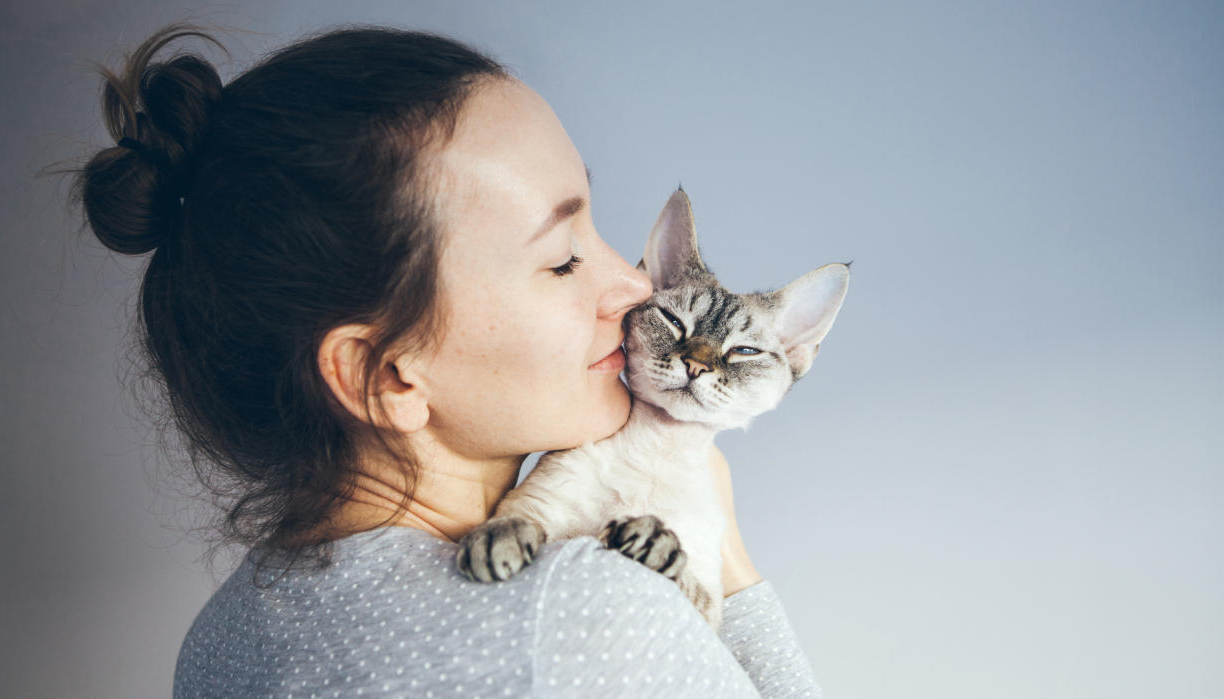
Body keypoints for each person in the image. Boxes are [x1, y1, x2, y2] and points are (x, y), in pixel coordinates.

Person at [72, 21, 826, 698]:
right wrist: (725, 552)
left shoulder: (217, 641)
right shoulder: (584, 617)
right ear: (388, 375)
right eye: (563, 259)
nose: (633, 286)